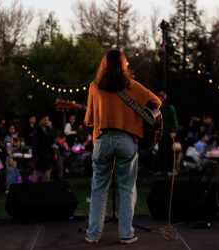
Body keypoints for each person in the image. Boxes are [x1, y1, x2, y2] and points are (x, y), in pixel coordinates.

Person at [84, 49, 161, 244]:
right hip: (127, 141)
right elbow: (157, 102)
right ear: (123, 66)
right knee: (127, 188)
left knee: (99, 188)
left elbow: (89, 120)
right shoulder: (132, 86)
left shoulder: (94, 86)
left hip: (102, 141)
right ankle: (126, 234)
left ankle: (93, 235)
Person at [156, 91, 178, 176]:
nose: (160, 99)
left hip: (169, 133)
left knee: (169, 152)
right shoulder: (158, 108)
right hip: (161, 133)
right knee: (161, 151)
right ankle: (162, 170)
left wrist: (174, 131)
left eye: (161, 97)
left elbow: (174, 120)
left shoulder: (170, 108)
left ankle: (170, 169)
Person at [32, 114, 56, 182]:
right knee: (40, 170)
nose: (47, 121)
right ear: (41, 120)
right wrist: (35, 155)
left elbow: (49, 142)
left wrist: (53, 153)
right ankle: (41, 186)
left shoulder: (47, 129)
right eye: (45, 119)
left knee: (40, 170)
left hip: (46, 153)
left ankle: (44, 186)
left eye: (48, 120)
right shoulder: (37, 129)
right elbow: (34, 143)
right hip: (40, 153)